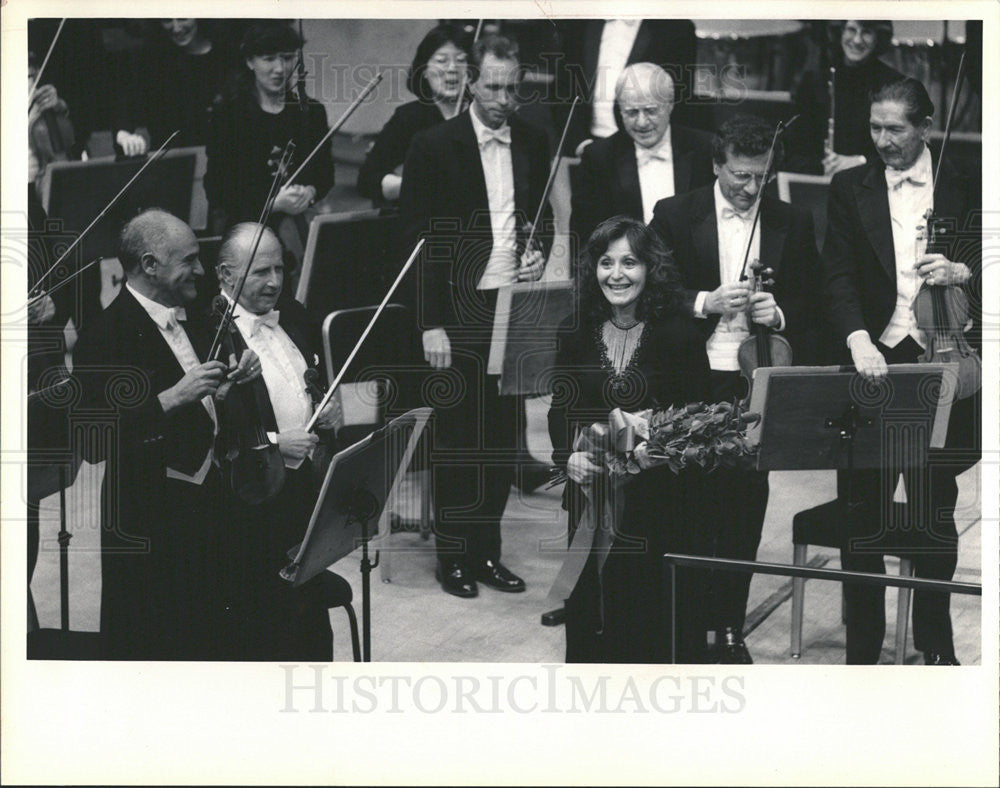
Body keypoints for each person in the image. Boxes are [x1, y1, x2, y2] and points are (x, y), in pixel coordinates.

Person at [649, 114, 822, 663]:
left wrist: (782, 312)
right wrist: (706, 302)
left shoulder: (790, 220)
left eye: (760, 177)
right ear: (717, 165)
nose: (750, 189)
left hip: (756, 379)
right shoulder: (674, 214)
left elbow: (816, 306)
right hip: (690, 378)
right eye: (739, 176)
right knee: (688, 505)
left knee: (745, 509)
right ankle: (686, 626)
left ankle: (727, 628)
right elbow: (651, 294)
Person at [822, 78, 981, 665]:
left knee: (933, 507)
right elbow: (836, 274)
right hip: (875, 353)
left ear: (926, 126)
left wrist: (964, 275)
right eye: (875, 128)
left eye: (896, 129)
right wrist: (858, 339)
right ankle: (862, 651)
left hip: (941, 356)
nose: (883, 140)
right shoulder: (848, 186)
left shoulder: (971, 179)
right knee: (861, 507)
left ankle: (936, 647)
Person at [399, 34, 550, 598]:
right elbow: (414, 240)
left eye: (513, 88)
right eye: (493, 87)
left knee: (501, 436)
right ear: (470, 81)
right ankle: (454, 558)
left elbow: (541, 218)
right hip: (456, 311)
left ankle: (488, 552)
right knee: (460, 439)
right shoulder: (432, 145)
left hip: (511, 309)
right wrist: (428, 321)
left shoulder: (533, 140)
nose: (503, 99)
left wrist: (538, 253)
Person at [71, 209, 259, 659]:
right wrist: (170, 398)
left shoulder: (193, 314)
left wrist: (228, 386)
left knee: (210, 633)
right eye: (189, 260)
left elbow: (204, 404)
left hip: (207, 501)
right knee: (154, 642)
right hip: (148, 515)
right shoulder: (103, 333)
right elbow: (93, 440)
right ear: (150, 264)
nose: (200, 270)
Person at [547, 216, 711, 663]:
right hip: (589, 491)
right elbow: (561, 409)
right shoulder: (574, 330)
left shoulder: (681, 334)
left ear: (650, 269)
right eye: (605, 262)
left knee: (647, 615)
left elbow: (698, 414)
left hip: (657, 501)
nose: (616, 274)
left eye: (629, 262)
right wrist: (567, 459)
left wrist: (654, 444)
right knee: (590, 607)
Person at [212, 223, 342, 660]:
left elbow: (312, 382)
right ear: (226, 276)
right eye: (259, 272)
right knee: (265, 625)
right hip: (250, 504)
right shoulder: (209, 333)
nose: (273, 282)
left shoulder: (294, 314)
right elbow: (210, 432)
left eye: (279, 270)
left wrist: (331, 408)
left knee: (307, 622)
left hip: (302, 492)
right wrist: (272, 442)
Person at [205, 21, 334, 231]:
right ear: (250, 62)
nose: (280, 69)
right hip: (248, 227)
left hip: (300, 226)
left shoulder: (311, 112)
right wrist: (271, 204)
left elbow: (325, 174)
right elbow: (217, 189)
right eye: (269, 59)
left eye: (287, 57)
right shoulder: (228, 115)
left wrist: (310, 192)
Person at [570, 62, 714, 250]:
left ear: (670, 105)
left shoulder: (704, 149)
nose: (642, 122)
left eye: (651, 110)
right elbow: (586, 236)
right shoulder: (598, 158)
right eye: (631, 112)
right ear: (620, 110)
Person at [357, 24, 469, 204]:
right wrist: (409, 185)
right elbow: (367, 180)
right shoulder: (408, 118)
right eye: (441, 61)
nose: (452, 69)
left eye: (462, 60)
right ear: (424, 70)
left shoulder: (483, 116)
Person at [552, 19, 699, 156]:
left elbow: (680, 102)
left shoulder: (677, 28)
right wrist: (581, 145)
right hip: (585, 148)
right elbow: (563, 92)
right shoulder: (580, 23)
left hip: (645, 154)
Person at [785, 20, 905, 175]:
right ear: (840, 32)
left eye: (866, 32)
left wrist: (860, 162)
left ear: (879, 37)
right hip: (820, 184)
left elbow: (906, 153)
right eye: (851, 30)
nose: (857, 40)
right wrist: (822, 166)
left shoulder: (895, 84)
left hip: (873, 186)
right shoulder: (814, 81)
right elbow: (793, 150)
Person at [114, 19, 238, 151]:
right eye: (167, 20)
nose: (176, 28)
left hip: (226, 156)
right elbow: (127, 105)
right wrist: (124, 135)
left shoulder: (227, 55)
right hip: (173, 160)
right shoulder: (152, 60)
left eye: (183, 18)